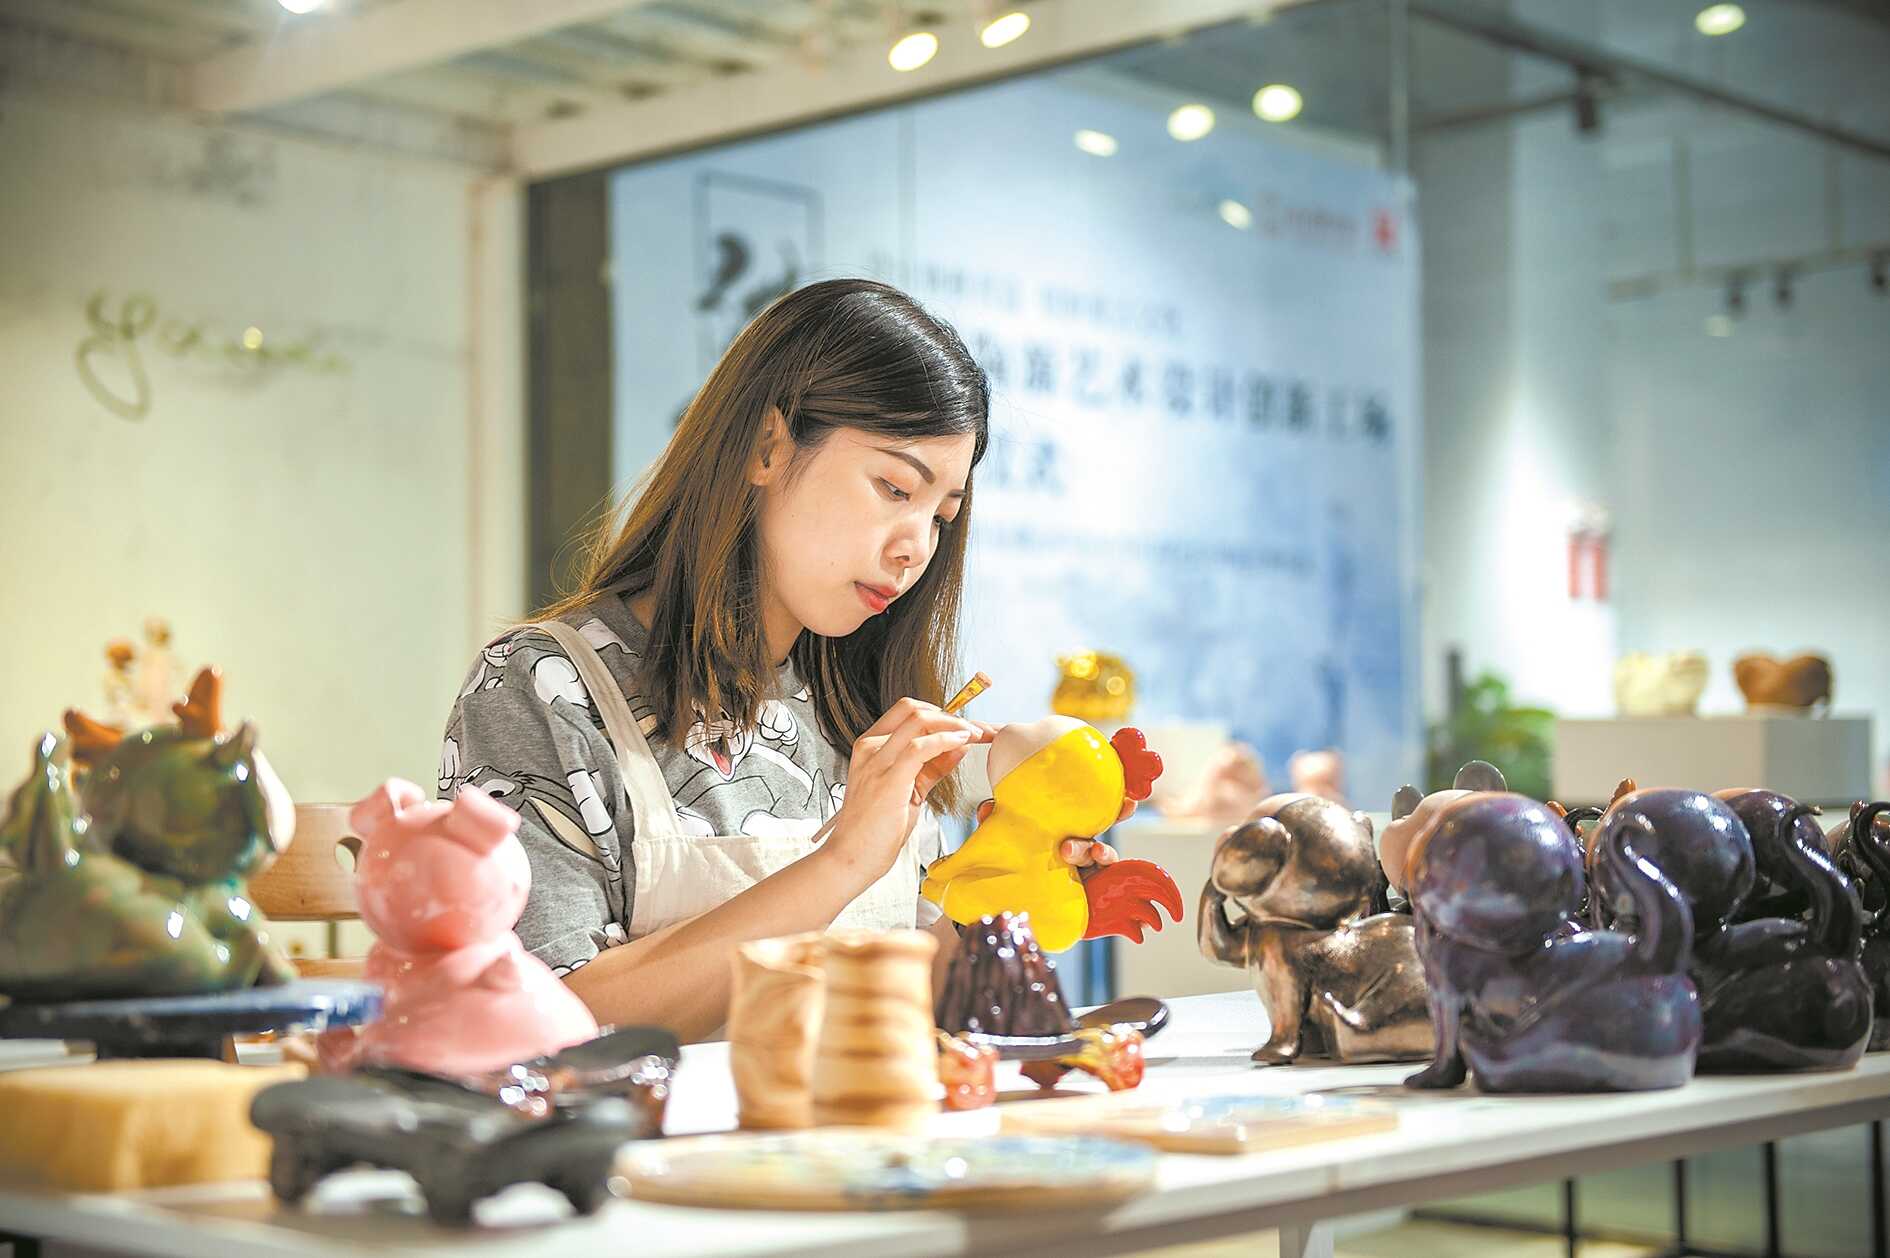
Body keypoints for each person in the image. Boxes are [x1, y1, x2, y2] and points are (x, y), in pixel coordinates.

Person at [438, 278, 1118, 1041]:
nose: (916, 547)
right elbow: (544, 1022)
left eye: (942, 516)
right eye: (896, 487)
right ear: (768, 447)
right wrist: (842, 862)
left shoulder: (860, 705)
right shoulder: (541, 688)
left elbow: (919, 1001)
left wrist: (1010, 890)